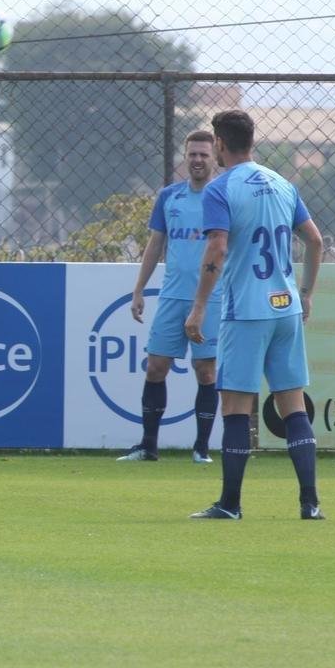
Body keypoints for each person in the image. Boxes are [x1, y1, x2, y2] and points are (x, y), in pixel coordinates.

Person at [185, 110, 324, 520]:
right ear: (251, 140)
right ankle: (310, 503)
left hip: (246, 311)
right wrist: (306, 293)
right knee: (293, 406)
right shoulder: (283, 184)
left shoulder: (220, 189)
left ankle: (230, 504)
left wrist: (198, 308)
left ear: (220, 145)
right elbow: (315, 241)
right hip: (286, 308)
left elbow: (217, 249)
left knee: (236, 408)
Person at [119, 130, 220, 463]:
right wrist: (138, 289)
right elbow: (155, 244)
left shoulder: (223, 197)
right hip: (173, 297)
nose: (197, 160)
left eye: (204, 155)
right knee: (156, 367)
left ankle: (201, 448)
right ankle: (148, 445)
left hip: (212, 298)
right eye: (192, 154)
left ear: (215, 157)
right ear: (185, 157)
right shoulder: (169, 196)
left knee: (205, 371)